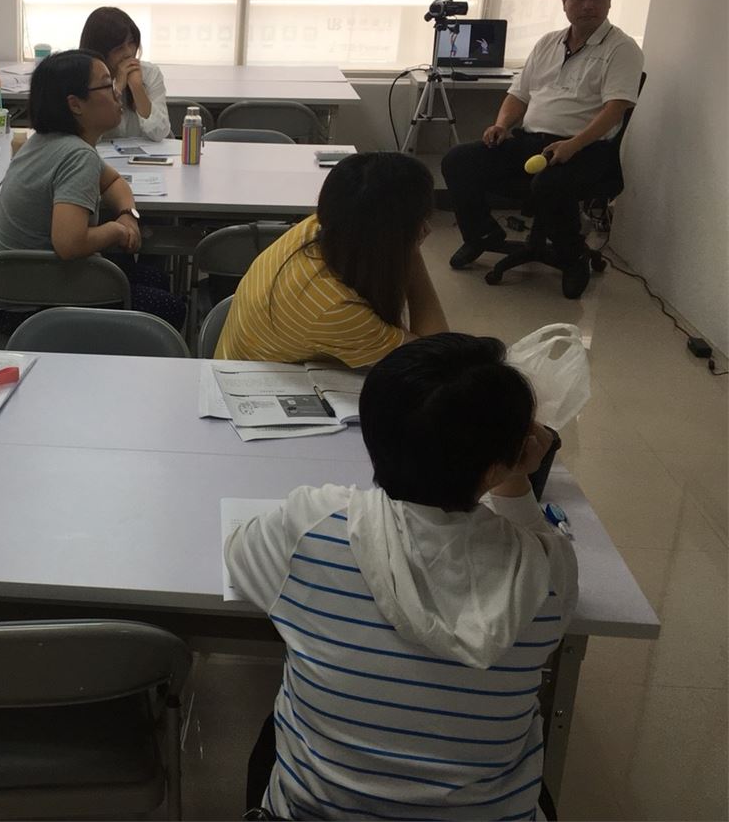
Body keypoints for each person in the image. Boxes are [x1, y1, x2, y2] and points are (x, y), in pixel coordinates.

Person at [226, 332, 578, 821]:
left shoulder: (313, 525)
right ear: (505, 458)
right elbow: (540, 543)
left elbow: (238, 552)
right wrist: (516, 478)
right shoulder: (544, 572)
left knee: (275, 728)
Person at [442, 0, 644, 299]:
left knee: (550, 183)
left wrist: (573, 145)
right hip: (532, 142)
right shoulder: (548, 42)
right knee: (458, 160)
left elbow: (615, 108)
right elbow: (518, 95)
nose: (588, 5)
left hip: (587, 149)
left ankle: (573, 255)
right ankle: (482, 236)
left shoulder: (622, 48)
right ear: (564, 1)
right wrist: (501, 125)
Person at [0, 49, 185, 328]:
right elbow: (69, 244)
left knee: (155, 279)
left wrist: (128, 214)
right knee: (169, 307)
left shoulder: (46, 141)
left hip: (13, 288)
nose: (117, 92)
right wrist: (118, 230)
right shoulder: (77, 156)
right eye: (106, 85)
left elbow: (114, 182)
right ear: (75, 104)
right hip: (32, 307)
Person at [215, 152, 447, 366]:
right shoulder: (335, 309)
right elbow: (437, 362)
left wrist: (403, 242)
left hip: (243, 364)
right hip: (249, 388)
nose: (427, 229)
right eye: (421, 221)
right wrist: (410, 251)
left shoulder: (319, 228)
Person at [78, 7, 170, 141]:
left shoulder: (149, 73)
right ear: (100, 50)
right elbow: (87, 137)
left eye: (131, 42)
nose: (128, 52)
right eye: (119, 48)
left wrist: (137, 88)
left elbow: (159, 133)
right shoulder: (83, 76)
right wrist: (117, 89)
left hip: (142, 153)